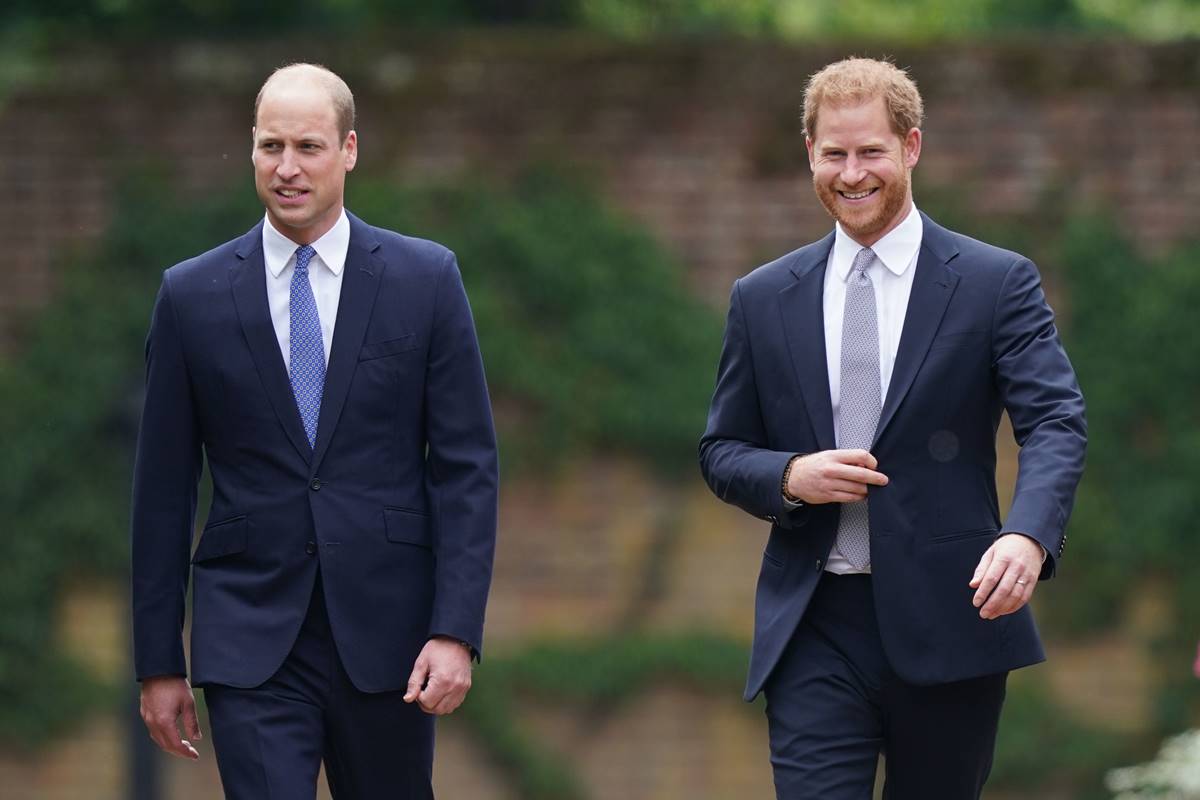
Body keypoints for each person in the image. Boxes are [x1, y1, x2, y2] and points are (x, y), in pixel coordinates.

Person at [699, 57, 1086, 799]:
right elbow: (721, 450)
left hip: (952, 616)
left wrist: (1027, 535)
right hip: (814, 622)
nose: (852, 173)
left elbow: (1056, 421)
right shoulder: (761, 297)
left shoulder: (994, 282)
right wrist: (787, 477)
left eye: (871, 151)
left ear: (911, 147)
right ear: (809, 153)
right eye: (834, 153)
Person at [131, 63, 498, 799]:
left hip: (389, 637)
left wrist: (455, 630)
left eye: (308, 147)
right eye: (271, 147)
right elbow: (162, 490)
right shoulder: (191, 295)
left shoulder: (425, 280)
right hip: (250, 635)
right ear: (252, 152)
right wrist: (158, 661)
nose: (287, 168)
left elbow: (466, 468)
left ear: (350, 149)